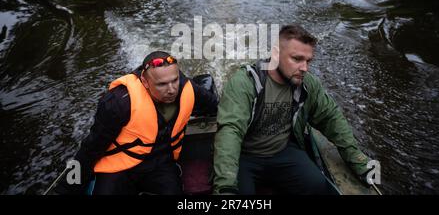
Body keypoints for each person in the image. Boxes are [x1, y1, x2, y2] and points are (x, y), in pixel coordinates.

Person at [213, 25, 370, 195]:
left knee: (317, 185)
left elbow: (331, 118)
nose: (305, 68)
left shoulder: (307, 84)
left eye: (308, 61)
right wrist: (226, 185)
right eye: (297, 59)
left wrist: (358, 161)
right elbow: (230, 132)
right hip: (244, 156)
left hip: (282, 151)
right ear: (275, 54)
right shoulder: (245, 83)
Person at [55, 51, 218, 195]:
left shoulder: (187, 88)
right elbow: (90, 148)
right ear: (145, 82)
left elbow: (214, 105)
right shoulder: (119, 102)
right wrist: (66, 187)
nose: (171, 89)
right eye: (162, 84)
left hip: (161, 163)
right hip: (120, 166)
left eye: (174, 80)